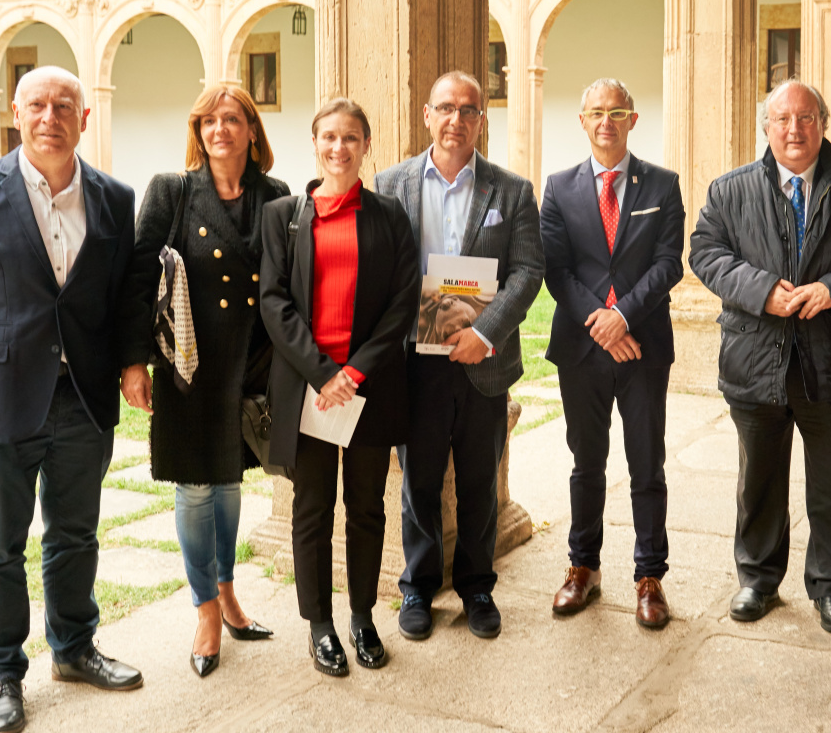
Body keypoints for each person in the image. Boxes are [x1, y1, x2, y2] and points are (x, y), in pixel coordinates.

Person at [0, 66, 142, 733]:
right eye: (38, 104)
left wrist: (128, 364)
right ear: (17, 114)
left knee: (74, 536)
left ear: (85, 117)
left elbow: (122, 296)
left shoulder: (113, 199)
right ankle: (1, 676)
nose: (51, 116)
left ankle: (73, 649)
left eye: (64, 105)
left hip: (82, 401)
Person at [689, 79, 831, 636]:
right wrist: (761, 289)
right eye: (782, 119)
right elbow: (705, 252)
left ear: (823, 124)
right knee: (758, 477)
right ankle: (758, 580)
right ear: (766, 127)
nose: (794, 129)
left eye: (806, 118)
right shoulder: (730, 190)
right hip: (755, 358)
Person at [117, 83, 287, 679]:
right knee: (194, 488)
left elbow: (286, 284)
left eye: (233, 119)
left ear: (251, 131)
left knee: (230, 483)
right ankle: (207, 610)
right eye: (209, 120)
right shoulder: (173, 192)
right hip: (188, 366)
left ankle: (228, 589)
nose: (221, 130)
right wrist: (134, 362)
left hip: (252, 363)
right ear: (198, 132)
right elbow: (140, 276)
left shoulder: (276, 194)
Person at [375, 70, 543, 643]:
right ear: (427, 114)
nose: (456, 120)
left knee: (477, 479)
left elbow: (528, 270)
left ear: (481, 120)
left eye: (468, 110)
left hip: (482, 361)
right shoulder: (389, 183)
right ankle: (418, 587)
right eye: (446, 107)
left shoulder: (511, 190)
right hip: (412, 361)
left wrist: (487, 332)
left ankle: (476, 586)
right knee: (418, 479)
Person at [259, 98, 421, 676]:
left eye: (350, 138)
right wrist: (323, 373)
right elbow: (273, 302)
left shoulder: (389, 216)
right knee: (312, 508)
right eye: (329, 137)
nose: (339, 148)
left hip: (367, 389)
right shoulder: (284, 215)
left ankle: (361, 617)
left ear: (365, 145)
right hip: (308, 389)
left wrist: (353, 373)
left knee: (367, 510)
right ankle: (320, 625)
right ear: (315, 144)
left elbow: (403, 303)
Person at [539, 78, 685, 628]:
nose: (607, 120)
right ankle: (583, 569)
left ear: (632, 118)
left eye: (617, 111)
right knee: (586, 463)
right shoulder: (558, 188)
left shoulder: (662, 186)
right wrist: (600, 324)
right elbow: (557, 268)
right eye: (596, 112)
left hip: (643, 345)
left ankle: (650, 576)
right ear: (583, 121)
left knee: (647, 463)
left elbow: (668, 264)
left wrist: (623, 315)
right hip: (582, 349)